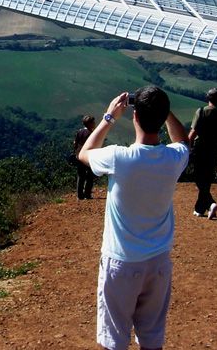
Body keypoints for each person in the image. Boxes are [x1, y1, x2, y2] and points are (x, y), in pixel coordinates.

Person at [77, 86, 189, 350]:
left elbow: (84, 153)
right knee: (152, 338)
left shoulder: (119, 158)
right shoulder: (174, 158)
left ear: (134, 117)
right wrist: (164, 109)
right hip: (159, 262)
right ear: (162, 119)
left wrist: (109, 117)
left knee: (114, 339)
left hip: (122, 264)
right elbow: (183, 139)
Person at [188, 87, 217, 219]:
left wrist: (186, 147)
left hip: (200, 149)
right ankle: (200, 209)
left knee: (199, 179)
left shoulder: (201, 112)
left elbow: (193, 133)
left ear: (208, 98)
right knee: (206, 180)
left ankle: (210, 204)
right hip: (214, 152)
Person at [74, 115, 98, 200]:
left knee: (81, 176)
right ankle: (87, 194)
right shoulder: (91, 133)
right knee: (90, 176)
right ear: (90, 123)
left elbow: (75, 143)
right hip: (88, 156)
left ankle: (80, 195)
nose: (95, 123)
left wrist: (76, 153)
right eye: (93, 122)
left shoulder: (80, 131)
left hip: (79, 155)